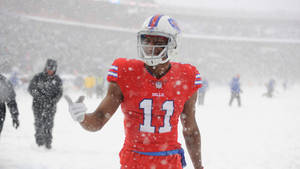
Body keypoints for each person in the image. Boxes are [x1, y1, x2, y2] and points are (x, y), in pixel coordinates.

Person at [65, 14, 204, 169]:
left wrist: (199, 167)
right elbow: (98, 121)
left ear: (174, 43)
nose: (150, 46)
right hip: (134, 161)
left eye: (158, 41)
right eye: (147, 40)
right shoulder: (126, 72)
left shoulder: (186, 76)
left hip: (169, 161)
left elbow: (190, 130)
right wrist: (82, 118)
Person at [28, 59, 63, 149]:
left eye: (53, 69)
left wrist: (53, 101)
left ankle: (48, 142)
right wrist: (40, 98)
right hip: (37, 105)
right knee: (39, 123)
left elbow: (59, 93)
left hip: (50, 107)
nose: (50, 70)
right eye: (49, 68)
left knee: (49, 124)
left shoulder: (57, 80)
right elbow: (31, 89)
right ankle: (39, 142)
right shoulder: (38, 77)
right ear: (46, 67)